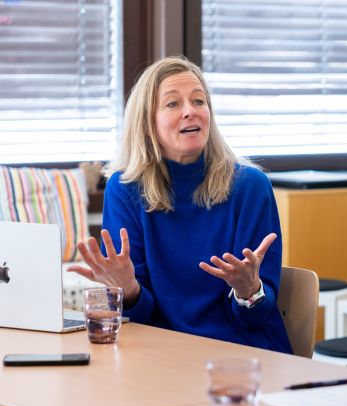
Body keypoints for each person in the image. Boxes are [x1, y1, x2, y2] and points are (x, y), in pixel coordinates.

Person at [69, 56, 291, 354]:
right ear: (147, 123)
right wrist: (128, 288)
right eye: (173, 104)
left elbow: (254, 318)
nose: (191, 111)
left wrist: (248, 291)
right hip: (162, 356)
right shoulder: (124, 189)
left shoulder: (250, 186)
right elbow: (140, 316)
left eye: (199, 101)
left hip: (243, 354)